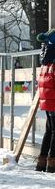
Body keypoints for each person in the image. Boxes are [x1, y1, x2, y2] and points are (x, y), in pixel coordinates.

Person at [36, 30, 55, 172]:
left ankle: (42, 160)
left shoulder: (46, 60)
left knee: (50, 130)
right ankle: (52, 161)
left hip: (48, 100)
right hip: (53, 98)